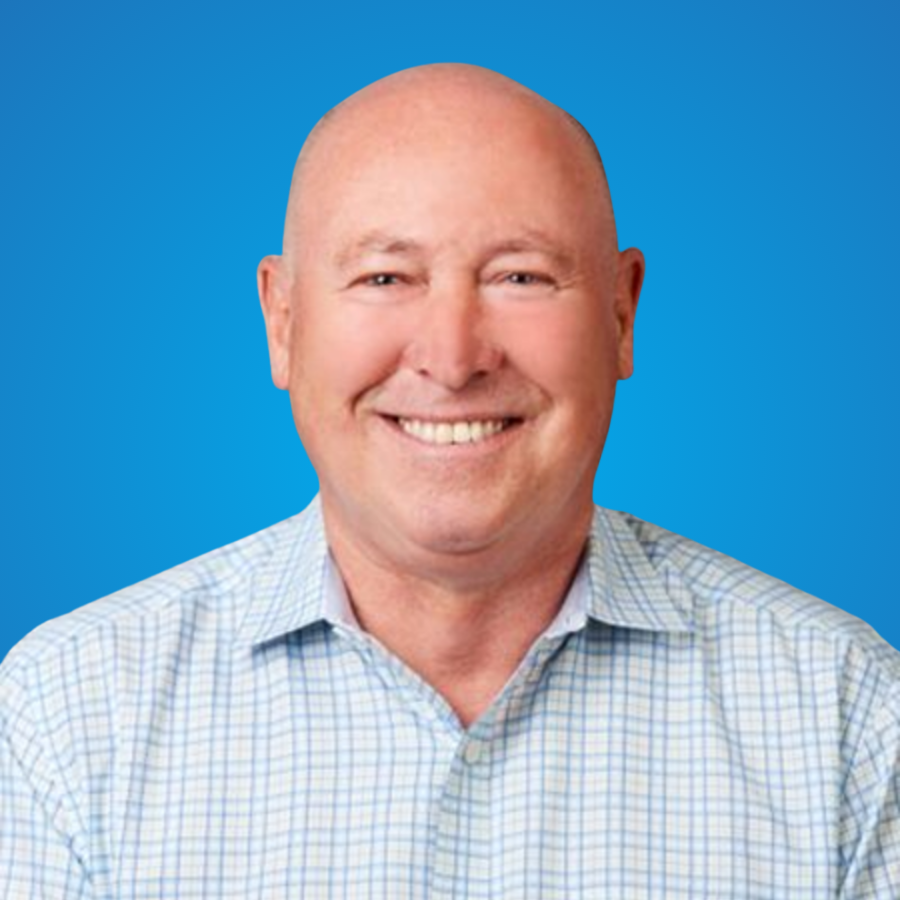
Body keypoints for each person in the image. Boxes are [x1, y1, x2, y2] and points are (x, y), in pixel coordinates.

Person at [1, 63, 897, 899]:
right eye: (385, 276)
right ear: (282, 321)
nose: (453, 356)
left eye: (520, 276)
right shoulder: (67, 718)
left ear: (622, 315)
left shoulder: (846, 718)